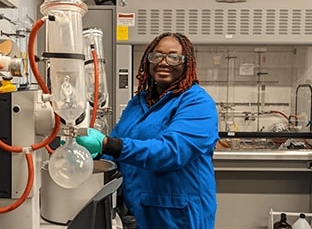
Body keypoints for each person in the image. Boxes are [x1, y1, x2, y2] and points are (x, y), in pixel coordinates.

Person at [76, 32, 219, 229]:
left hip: (179, 214)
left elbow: (171, 151)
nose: (163, 62)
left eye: (173, 56)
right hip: (138, 211)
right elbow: (117, 145)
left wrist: (108, 144)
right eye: (157, 55)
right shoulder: (138, 102)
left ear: (187, 63)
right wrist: (91, 155)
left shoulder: (197, 103)